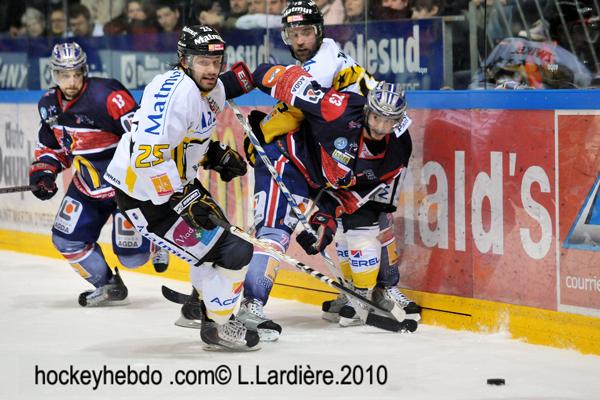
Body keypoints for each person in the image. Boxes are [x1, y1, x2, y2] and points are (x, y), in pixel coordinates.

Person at [238, 0, 420, 341]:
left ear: (320, 32)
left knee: (371, 214)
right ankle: (250, 303)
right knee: (276, 228)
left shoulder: (324, 67)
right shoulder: (329, 92)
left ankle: (376, 290)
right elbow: (288, 90)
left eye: (306, 32)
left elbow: (294, 106)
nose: (300, 40)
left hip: (346, 158)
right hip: (311, 156)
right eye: (293, 33)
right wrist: (257, 112)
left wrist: (326, 215)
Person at [104, 25, 259, 351]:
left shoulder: (209, 89)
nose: (211, 69)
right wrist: (182, 200)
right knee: (233, 250)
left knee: (218, 246)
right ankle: (218, 327)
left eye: (216, 62)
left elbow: (184, 140)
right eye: (203, 62)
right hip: (146, 198)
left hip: (174, 186)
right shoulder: (176, 94)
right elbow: (147, 158)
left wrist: (213, 155)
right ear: (184, 60)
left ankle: (199, 308)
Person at [28, 42, 169, 308]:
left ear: (84, 70)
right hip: (87, 186)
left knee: (133, 258)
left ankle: (157, 238)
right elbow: (52, 147)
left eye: (76, 74)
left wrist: (150, 185)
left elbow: (142, 137)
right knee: (65, 239)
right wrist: (44, 173)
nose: (71, 82)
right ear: (54, 74)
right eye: (64, 75)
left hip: (125, 187)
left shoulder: (107, 96)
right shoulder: (48, 105)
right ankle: (107, 285)